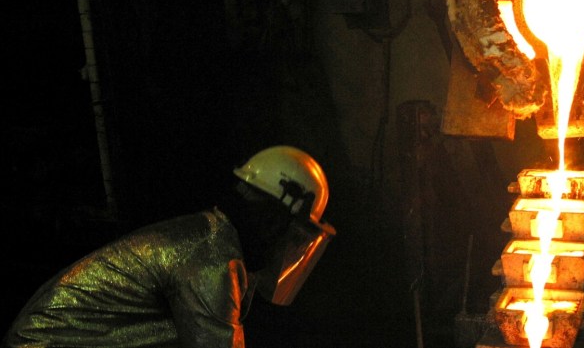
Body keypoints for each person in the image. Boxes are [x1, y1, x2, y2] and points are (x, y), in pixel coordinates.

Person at [1, 145, 336, 348]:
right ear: (274, 219)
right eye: (294, 237)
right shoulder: (211, 260)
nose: (290, 250)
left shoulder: (211, 236)